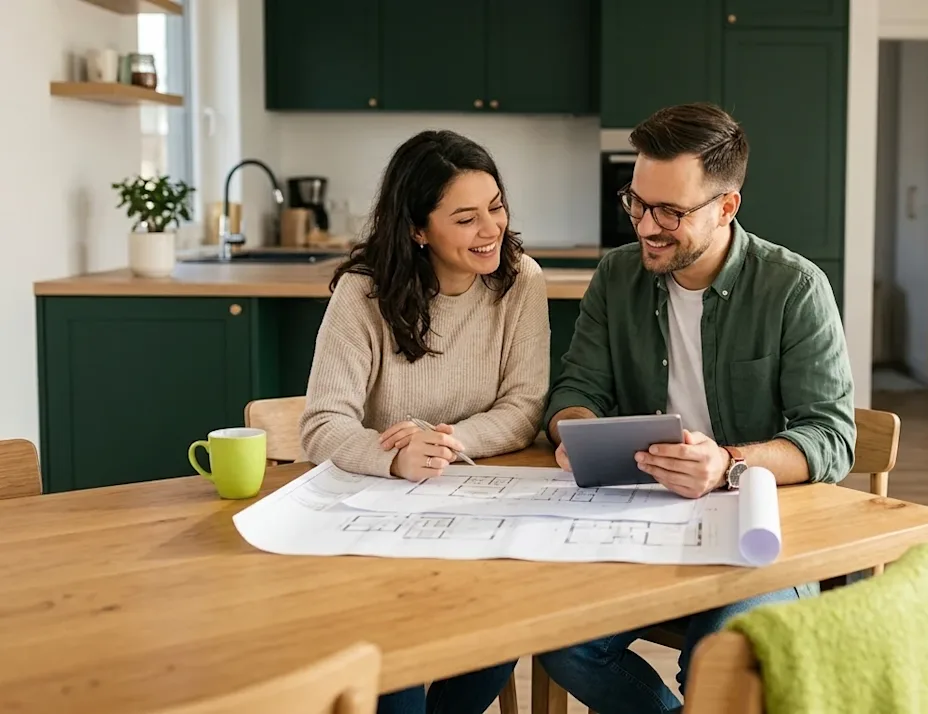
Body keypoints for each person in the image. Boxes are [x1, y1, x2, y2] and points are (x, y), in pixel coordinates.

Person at [536, 102, 858, 713]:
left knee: (722, 658)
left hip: (759, 531)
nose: (646, 226)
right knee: (559, 641)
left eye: (671, 212)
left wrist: (729, 462)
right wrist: (575, 429)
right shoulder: (616, 277)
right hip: (643, 523)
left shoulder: (795, 288)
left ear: (727, 207)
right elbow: (576, 387)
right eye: (636, 202)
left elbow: (831, 437)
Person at [298, 129, 550, 714]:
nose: (491, 230)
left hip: (473, 507)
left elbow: (523, 408)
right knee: (398, 668)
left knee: (502, 630)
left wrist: (444, 441)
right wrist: (392, 456)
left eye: (496, 207)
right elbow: (322, 423)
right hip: (376, 521)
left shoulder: (520, 281)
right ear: (417, 228)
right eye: (465, 219)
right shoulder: (365, 293)